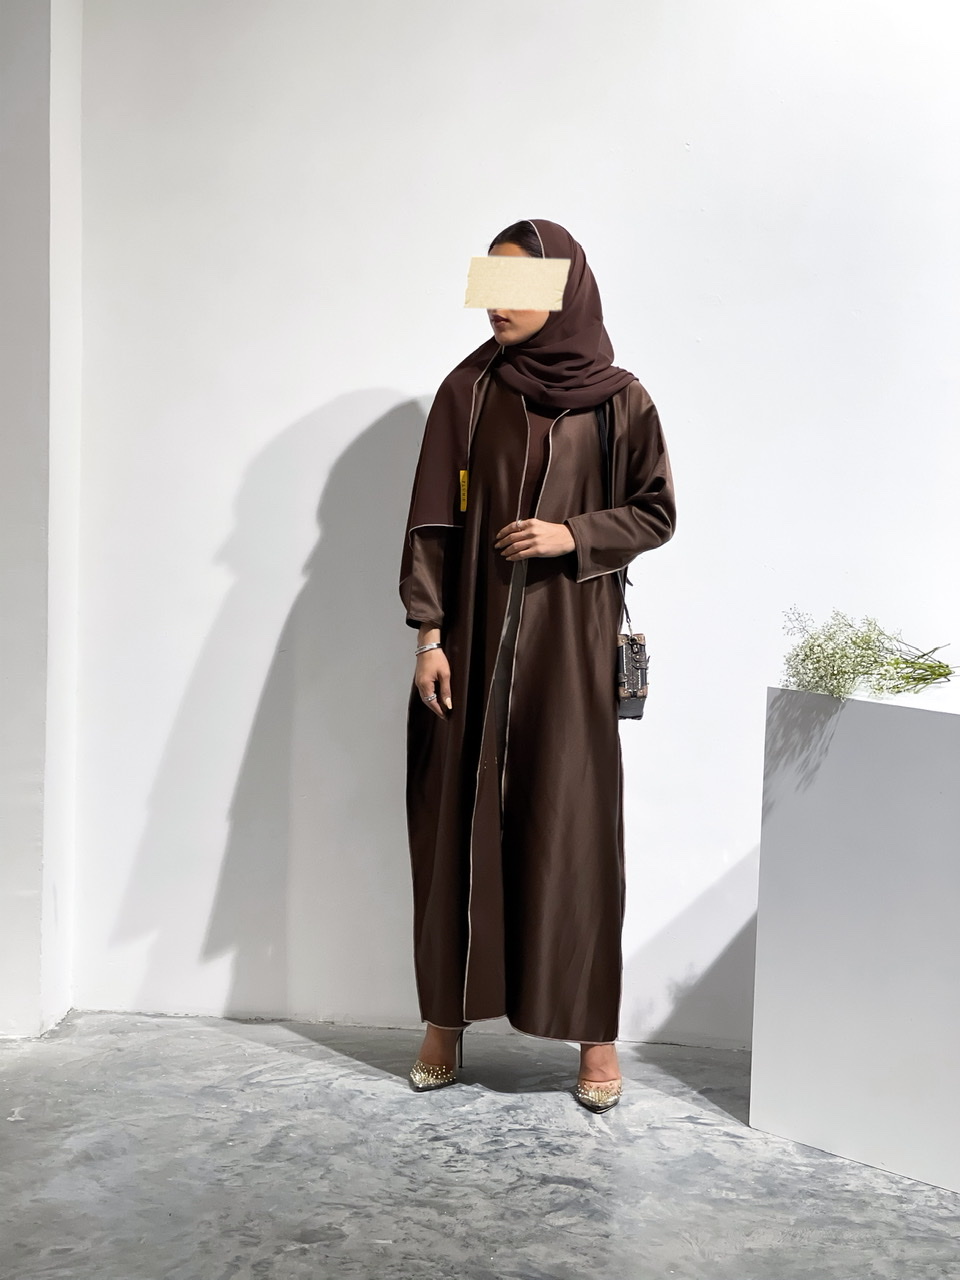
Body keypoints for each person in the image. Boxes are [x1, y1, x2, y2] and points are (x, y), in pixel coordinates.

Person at [398, 218, 676, 1113]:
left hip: (571, 649)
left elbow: (657, 511)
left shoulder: (621, 400)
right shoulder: (469, 391)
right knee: (453, 824)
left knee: (575, 829)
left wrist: (571, 535)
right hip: (472, 646)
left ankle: (594, 1036)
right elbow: (432, 523)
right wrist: (429, 635)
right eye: (490, 285)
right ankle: (445, 1020)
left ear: (565, 290)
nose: (497, 306)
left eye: (519, 287)